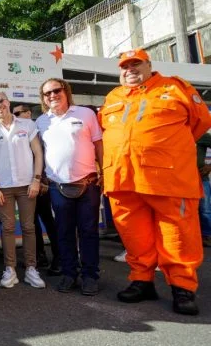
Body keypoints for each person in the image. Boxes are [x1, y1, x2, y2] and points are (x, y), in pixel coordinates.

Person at [99, 48, 211, 315]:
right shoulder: (113, 95)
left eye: (136, 64)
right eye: (125, 66)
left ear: (149, 65)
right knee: (134, 236)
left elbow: (200, 122)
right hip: (123, 180)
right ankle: (141, 280)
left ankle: (183, 288)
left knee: (178, 235)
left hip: (168, 179)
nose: (130, 70)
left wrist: (168, 150)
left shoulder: (175, 87)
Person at [36, 78, 103, 296]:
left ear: (66, 91)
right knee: (64, 233)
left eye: (56, 90)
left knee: (88, 233)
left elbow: (98, 144)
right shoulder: (41, 122)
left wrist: (104, 170)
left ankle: (90, 276)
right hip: (58, 187)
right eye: (47, 93)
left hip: (88, 183)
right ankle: (68, 273)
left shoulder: (85, 114)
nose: (52, 95)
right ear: (43, 98)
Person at [0, 92, 45, 289]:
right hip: (3, 189)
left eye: (1, 101)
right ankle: (10, 269)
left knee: (28, 227)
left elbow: (38, 153)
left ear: (7, 102)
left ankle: (31, 269)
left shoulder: (27, 125)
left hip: (27, 185)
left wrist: (36, 180)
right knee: (7, 229)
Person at [12, 103, 60, 274]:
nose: (16, 115)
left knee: (48, 220)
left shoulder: (39, 128)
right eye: (14, 113)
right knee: (32, 223)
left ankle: (59, 257)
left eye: (20, 112)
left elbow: (46, 155)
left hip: (41, 183)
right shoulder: (18, 131)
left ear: (29, 112)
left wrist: (44, 180)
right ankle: (40, 255)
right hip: (27, 185)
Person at [196, 131, 211, 248]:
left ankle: (207, 236)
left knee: (205, 209)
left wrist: (210, 166)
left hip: (200, 178)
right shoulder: (174, 133)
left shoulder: (200, 135)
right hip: (180, 179)